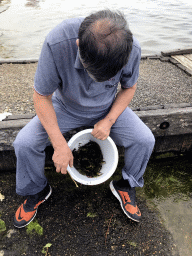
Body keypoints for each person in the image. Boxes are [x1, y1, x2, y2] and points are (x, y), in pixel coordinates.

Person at [13, 9, 155, 228]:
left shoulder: (130, 47)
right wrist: (59, 144)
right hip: (65, 107)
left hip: (108, 109)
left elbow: (129, 87)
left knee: (145, 140)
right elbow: (41, 96)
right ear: (79, 45)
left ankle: (126, 185)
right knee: (24, 143)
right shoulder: (57, 42)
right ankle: (36, 190)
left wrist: (109, 120)